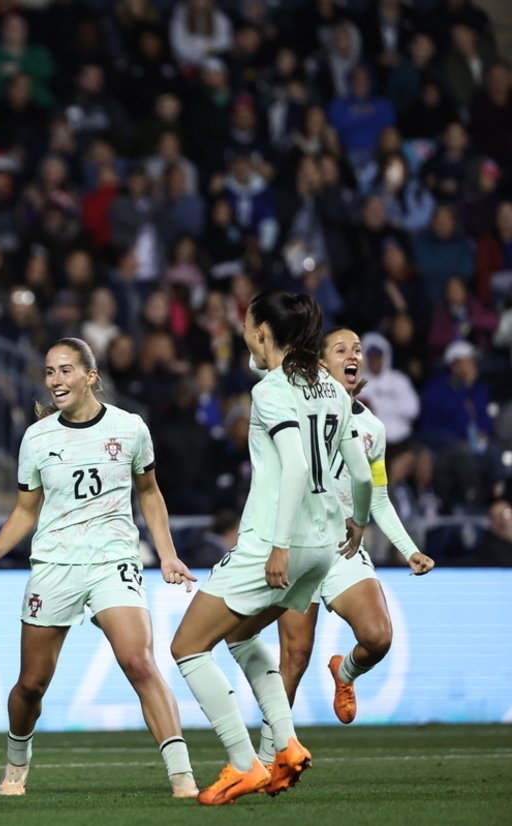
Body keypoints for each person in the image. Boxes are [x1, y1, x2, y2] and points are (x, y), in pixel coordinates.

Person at [0, 337, 199, 799]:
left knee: (139, 661)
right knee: (32, 684)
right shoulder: (38, 437)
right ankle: (16, 761)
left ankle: (182, 775)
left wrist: (167, 553)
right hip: (55, 564)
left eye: (66, 370)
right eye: (49, 371)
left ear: (91, 377)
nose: (55, 380)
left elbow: (149, 493)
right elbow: (26, 511)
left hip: (114, 560)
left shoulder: (130, 428)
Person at [169, 291, 372, 805]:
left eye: (246, 325)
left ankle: (244, 765)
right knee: (240, 635)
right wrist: (360, 521)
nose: (243, 333)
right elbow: (361, 469)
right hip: (324, 546)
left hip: (274, 543)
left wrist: (279, 546)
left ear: (262, 332)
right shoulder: (330, 386)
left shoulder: (271, 390)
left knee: (187, 647)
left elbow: (297, 466)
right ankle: (285, 745)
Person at [260, 329, 435, 762]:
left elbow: (378, 497)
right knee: (295, 657)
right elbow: (261, 365)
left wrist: (408, 549)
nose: (353, 354)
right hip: (300, 544)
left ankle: (346, 670)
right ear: (321, 363)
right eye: (341, 349)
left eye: (357, 349)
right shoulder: (297, 403)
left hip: (343, 548)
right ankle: (265, 759)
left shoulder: (373, 429)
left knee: (378, 637)